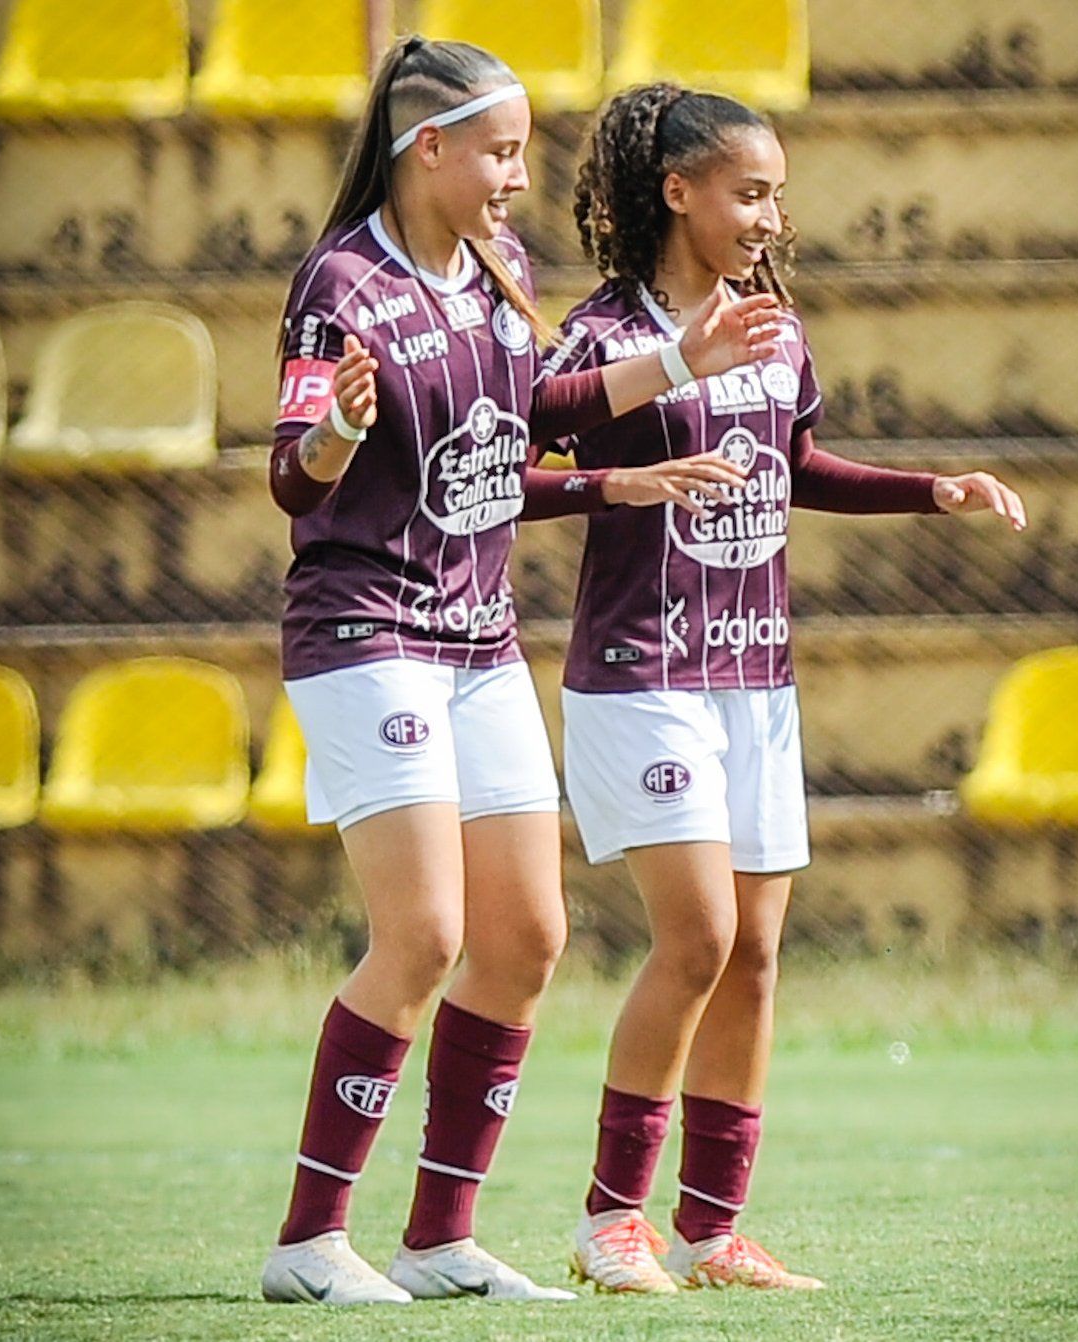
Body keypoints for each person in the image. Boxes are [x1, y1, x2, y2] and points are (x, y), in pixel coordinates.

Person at [260, 38, 780, 1307]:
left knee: (528, 938)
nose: (517, 177)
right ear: (423, 147)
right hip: (367, 628)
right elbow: (292, 477)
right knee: (426, 934)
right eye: (498, 151)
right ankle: (310, 1242)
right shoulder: (341, 282)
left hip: (476, 640)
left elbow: (525, 437)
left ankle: (440, 1238)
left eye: (523, 152)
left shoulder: (502, 272)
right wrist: (331, 428)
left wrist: (643, 432)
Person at [524, 84, 1028, 1293]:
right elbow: (523, 437)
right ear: (676, 191)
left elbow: (797, 466)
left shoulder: (772, 323)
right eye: (748, 192)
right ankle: (609, 1223)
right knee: (694, 936)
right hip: (642, 673)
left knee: (752, 955)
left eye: (776, 195)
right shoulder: (601, 335)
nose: (767, 216)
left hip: (756, 676)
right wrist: (659, 384)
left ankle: (712, 1232)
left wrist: (928, 488)